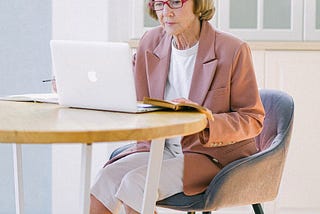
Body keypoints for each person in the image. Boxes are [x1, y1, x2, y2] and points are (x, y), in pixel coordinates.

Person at [90, 0, 265, 213]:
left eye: (175, 2)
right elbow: (128, 86)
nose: (166, 12)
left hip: (211, 155)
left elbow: (252, 118)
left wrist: (203, 118)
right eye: (159, 3)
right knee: (105, 180)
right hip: (159, 147)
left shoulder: (232, 50)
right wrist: (82, 86)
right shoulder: (151, 41)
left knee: (135, 184)